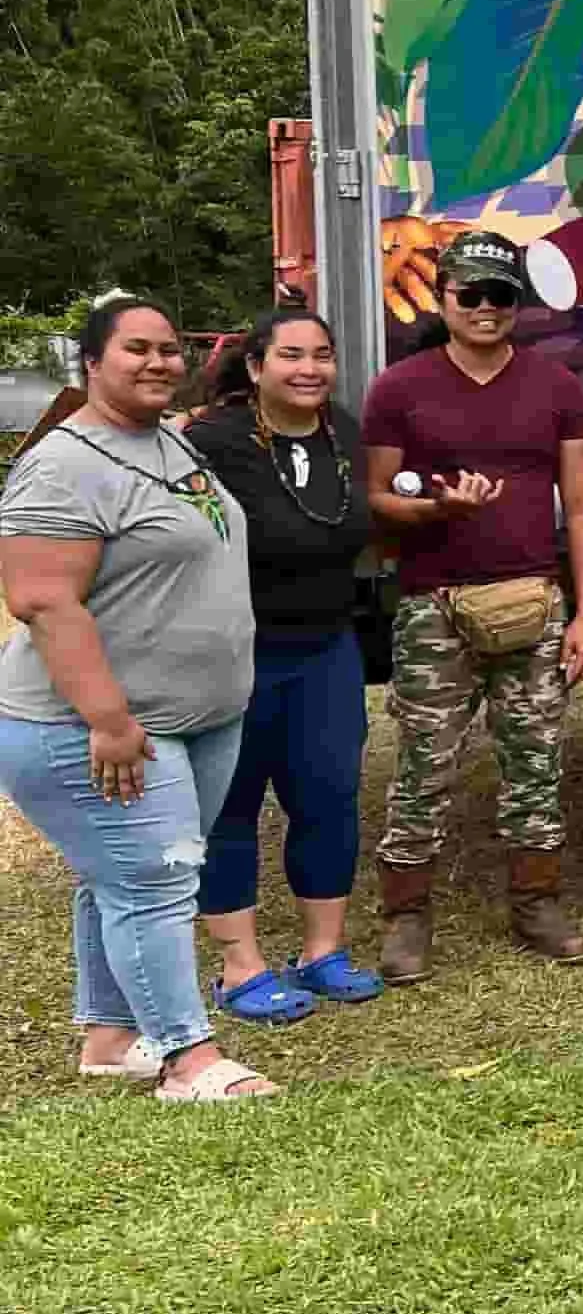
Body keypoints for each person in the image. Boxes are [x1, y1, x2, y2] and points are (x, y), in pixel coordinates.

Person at [0, 297, 277, 1100]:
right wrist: (109, 719)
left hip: (195, 716)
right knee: (153, 879)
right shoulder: (63, 463)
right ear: (91, 361)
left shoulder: (163, 442)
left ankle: (111, 1037)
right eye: (137, 350)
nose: (159, 362)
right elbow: (42, 599)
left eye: (167, 350)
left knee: (114, 878)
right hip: (96, 724)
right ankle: (186, 1058)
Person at [361, 228, 583, 977]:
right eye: (472, 293)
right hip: (435, 605)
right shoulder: (398, 389)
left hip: (533, 598)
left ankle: (537, 904)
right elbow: (376, 500)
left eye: (502, 295)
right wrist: (437, 510)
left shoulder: (558, 387)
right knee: (425, 765)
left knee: (536, 761)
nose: (487, 307)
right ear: (446, 296)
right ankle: (406, 917)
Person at [186, 308, 382, 1019]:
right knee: (230, 805)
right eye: (291, 355)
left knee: (328, 796)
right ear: (255, 366)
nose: (310, 369)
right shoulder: (209, 438)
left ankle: (322, 952)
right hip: (235, 655)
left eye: (322, 355)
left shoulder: (343, 432)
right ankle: (241, 969)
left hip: (327, 649)